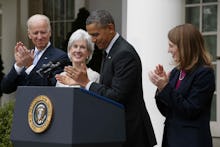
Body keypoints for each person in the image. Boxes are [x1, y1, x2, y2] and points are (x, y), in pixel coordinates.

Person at [63, 10, 157, 147]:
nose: (93, 40)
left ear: (110, 28)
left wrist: (86, 83)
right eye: (90, 36)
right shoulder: (110, 51)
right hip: (117, 131)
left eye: (96, 35)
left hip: (130, 133)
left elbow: (116, 96)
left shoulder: (123, 53)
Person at [148, 23, 215, 147]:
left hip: (192, 142)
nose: (168, 50)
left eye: (171, 46)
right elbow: (167, 111)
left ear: (185, 47)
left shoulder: (204, 74)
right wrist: (160, 87)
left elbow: (190, 110)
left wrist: (165, 87)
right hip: (171, 140)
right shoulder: (176, 72)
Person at [1, 14, 70, 94]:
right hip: (24, 105)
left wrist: (30, 66)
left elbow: (51, 87)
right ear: (29, 34)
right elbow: (6, 88)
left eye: (43, 32)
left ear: (50, 33)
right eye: (35, 33)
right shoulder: (26, 57)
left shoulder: (61, 57)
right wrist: (18, 65)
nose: (39, 37)